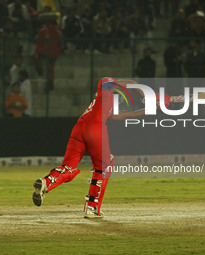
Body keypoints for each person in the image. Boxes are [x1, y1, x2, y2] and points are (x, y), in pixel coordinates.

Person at [32, 77, 171, 218]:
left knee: (68, 167)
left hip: (78, 129)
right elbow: (132, 83)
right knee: (104, 166)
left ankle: (45, 182)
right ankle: (91, 208)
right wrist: (145, 96)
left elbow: (130, 114)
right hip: (95, 129)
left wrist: (152, 108)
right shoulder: (105, 88)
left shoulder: (102, 105)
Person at [35, 19, 61, 91]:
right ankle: (50, 84)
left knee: (46, 68)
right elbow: (59, 46)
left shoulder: (43, 31)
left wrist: (38, 52)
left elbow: (39, 43)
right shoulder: (57, 32)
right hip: (52, 54)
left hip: (45, 53)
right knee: (50, 70)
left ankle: (40, 71)